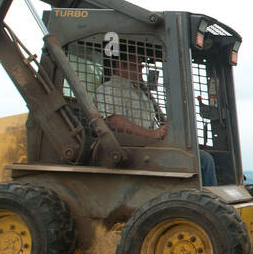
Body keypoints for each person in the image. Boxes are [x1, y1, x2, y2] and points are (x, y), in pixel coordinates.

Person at [92, 48, 218, 185]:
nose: (141, 66)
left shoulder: (139, 92)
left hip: (151, 147)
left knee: (210, 156)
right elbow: (113, 121)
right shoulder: (108, 89)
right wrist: (151, 134)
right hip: (132, 152)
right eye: (136, 62)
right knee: (203, 160)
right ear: (120, 65)